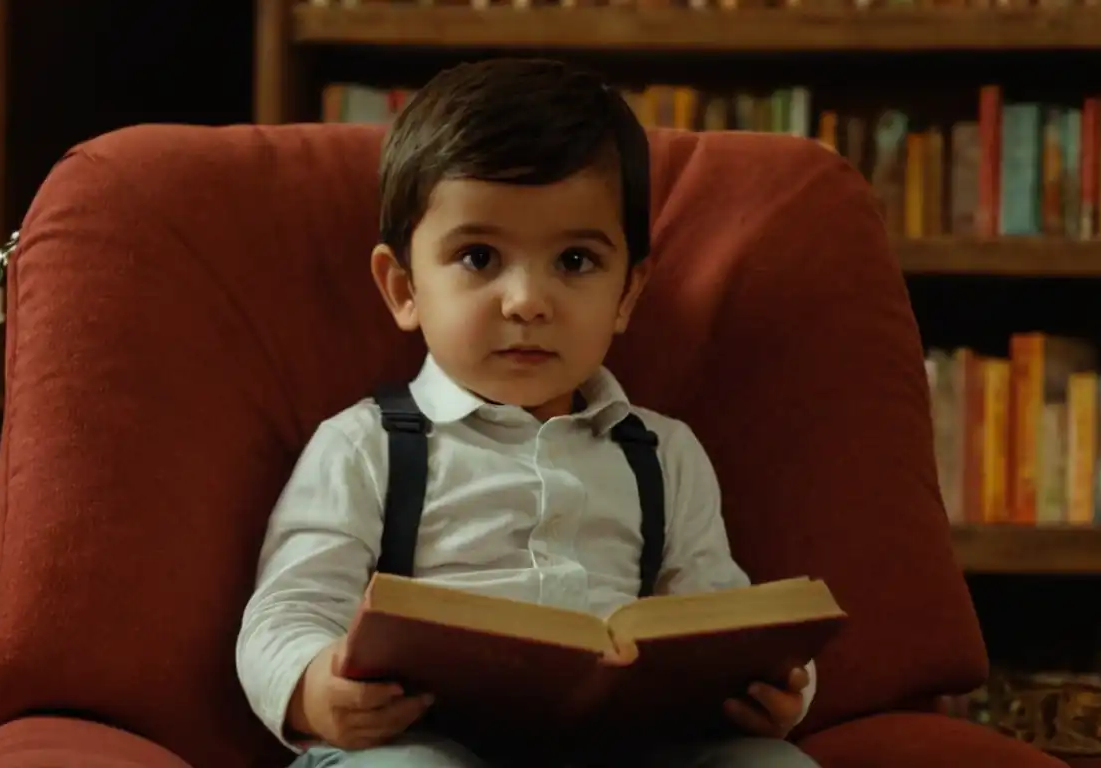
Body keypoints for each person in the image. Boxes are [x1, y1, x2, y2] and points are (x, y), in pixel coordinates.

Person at [236, 58, 821, 768]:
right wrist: (313, 687)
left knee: (773, 766)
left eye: (575, 261)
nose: (528, 302)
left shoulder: (663, 453)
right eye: (479, 257)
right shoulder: (365, 446)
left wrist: (779, 685)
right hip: (420, 743)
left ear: (629, 294)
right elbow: (285, 612)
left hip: (622, 748)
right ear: (403, 289)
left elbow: (717, 613)